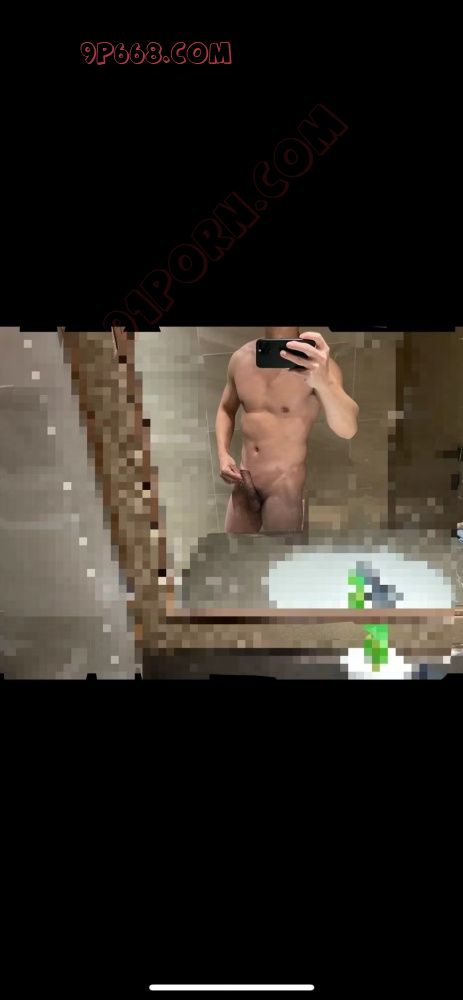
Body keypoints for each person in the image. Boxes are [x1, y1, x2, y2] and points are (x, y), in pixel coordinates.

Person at [215, 327, 359, 533]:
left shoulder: (317, 365)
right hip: (244, 480)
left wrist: (324, 384)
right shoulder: (240, 359)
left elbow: (348, 429)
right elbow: (226, 408)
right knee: (233, 551)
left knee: (280, 553)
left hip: (284, 486)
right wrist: (223, 454)